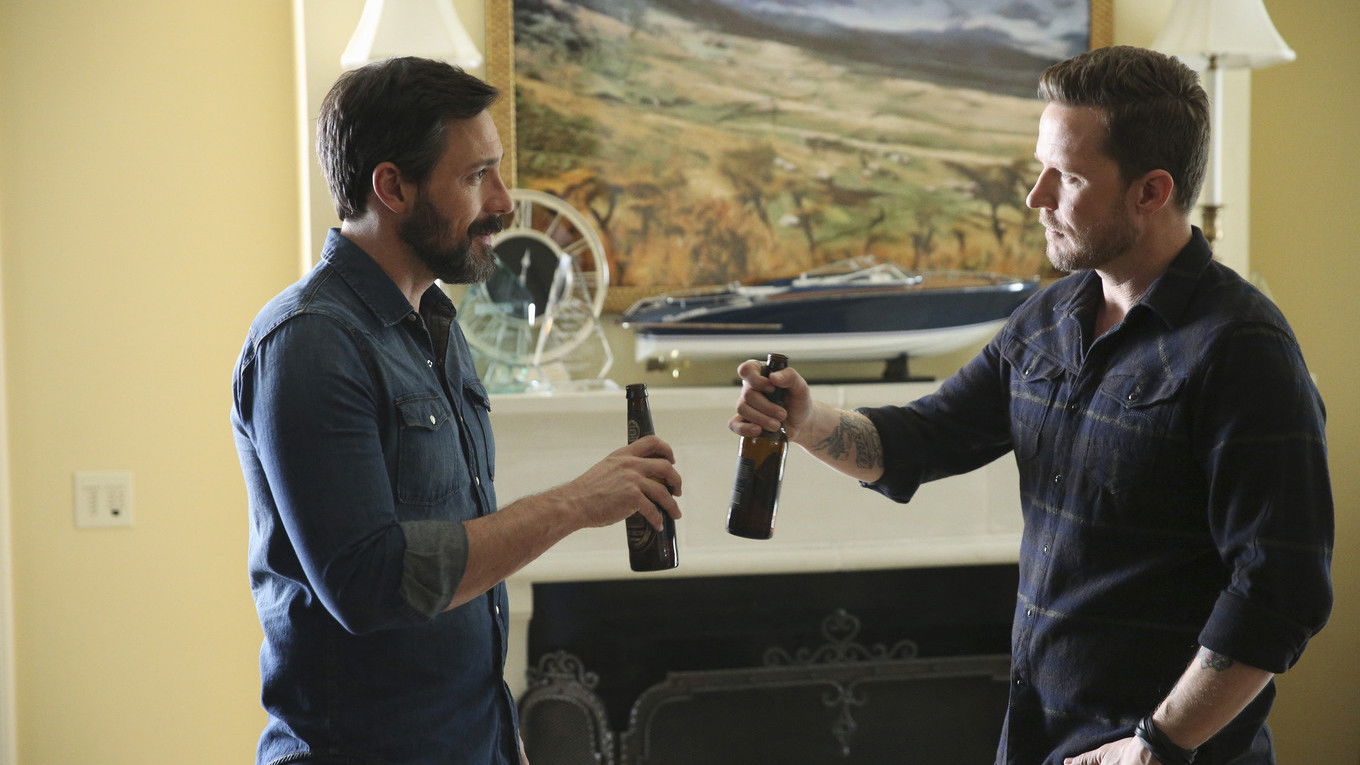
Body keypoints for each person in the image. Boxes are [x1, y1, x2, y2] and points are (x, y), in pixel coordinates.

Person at [730, 46, 1331, 765]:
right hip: (1037, 740)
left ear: (1151, 191)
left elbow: (1279, 590)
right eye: (1040, 168)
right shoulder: (1050, 317)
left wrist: (1156, 745)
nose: (1035, 197)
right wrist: (806, 420)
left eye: (1067, 177)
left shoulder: (1243, 350)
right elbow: (924, 437)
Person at [231, 57, 682, 765]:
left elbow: (459, 570)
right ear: (392, 187)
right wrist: (575, 504)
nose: (503, 202)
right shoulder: (310, 342)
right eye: (477, 177)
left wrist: (501, 735)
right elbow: (372, 584)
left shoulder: (438, 326)